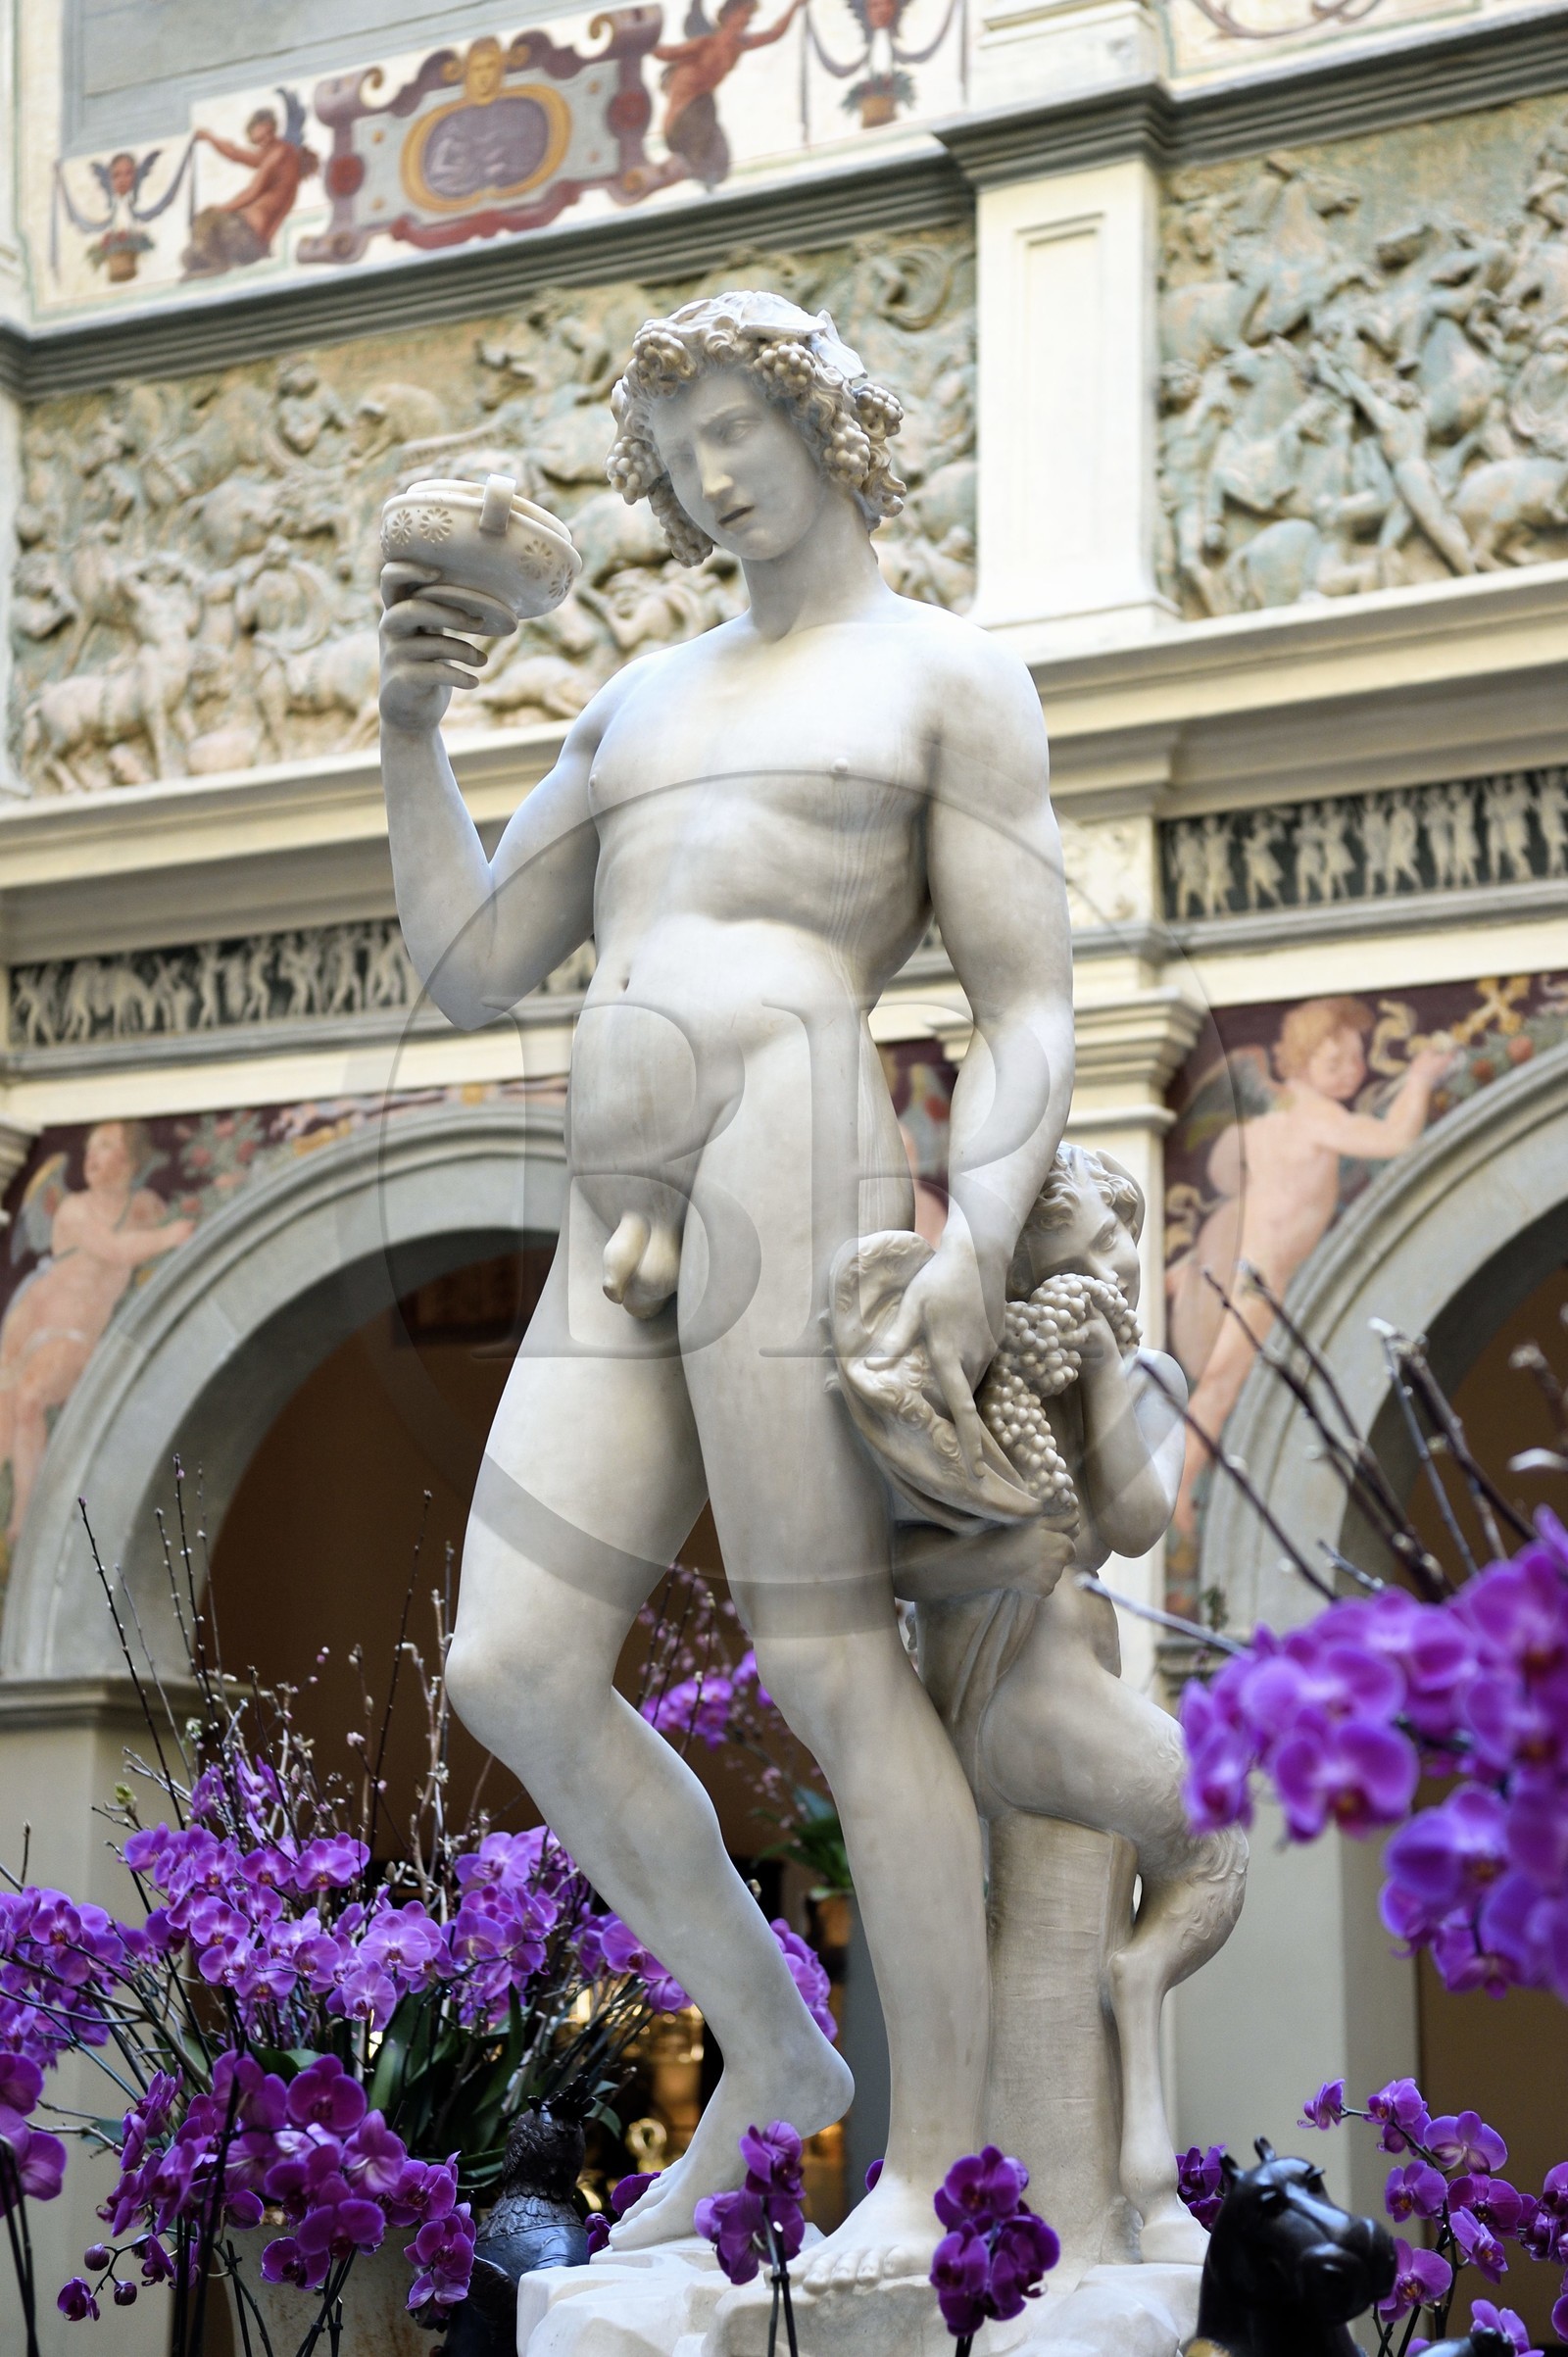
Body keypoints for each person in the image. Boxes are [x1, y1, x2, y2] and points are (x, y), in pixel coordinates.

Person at [377, 290, 1073, 2288]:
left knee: (825, 1661)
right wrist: (411, 732)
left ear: (825, 421)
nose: (710, 464)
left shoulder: (944, 676)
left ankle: (935, 2162)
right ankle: (765, 2051)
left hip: (792, 1138)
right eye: (675, 437)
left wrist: (970, 1237)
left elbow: (1024, 1002)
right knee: (508, 1660)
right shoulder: (636, 705)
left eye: (743, 417)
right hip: (618, 1197)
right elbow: (474, 964)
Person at [895, 1146, 1247, 2262]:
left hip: (1051, 1699)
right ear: (1018, 1243)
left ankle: (1086, 2212)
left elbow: (1137, 1519)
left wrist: (1098, 1369)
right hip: (1016, 1695)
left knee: (1053, 1956)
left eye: (1124, 1242)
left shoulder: (1136, 1375)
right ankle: (1145, 2124)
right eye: (1088, 1239)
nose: (1116, 1263)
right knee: (1212, 1841)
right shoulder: (950, 1368)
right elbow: (896, 1556)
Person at [1169, 995, 1451, 1535]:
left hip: (1240, 1259)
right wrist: (1419, 1078)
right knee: (1223, 1383)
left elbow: (1230, 1175)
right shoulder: (1316, 1116)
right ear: (1300, 1059)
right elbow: (1393, 1137)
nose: (1352, 1071)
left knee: (1224, 1379)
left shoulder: (1272, 1111)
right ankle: (1177, 1488)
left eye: (1357, 1058)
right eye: (1335, 1061)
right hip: (1260, 1274)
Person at [0, 1123, 192, 1555]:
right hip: (43, 1323)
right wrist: (169, 1236)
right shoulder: (74, 1210)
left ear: (133, 1160)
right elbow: (117, 1250)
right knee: (23, 1403)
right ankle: (24, 1516)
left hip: (90, 1335)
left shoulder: (145, 1206)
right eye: (89, 1147)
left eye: (105, 1147)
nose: (91, 1156)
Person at [181, 98, 318, 279]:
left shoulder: (280, 154)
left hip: (247, 237)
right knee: (188, 257)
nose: (264, 142)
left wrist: (220, 210)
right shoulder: (274, 153)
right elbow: (236, 155)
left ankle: (220, 266)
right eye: (259, 140)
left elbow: (252, 192)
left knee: (205, 217)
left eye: (268, 135)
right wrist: (209, 137)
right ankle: (213, 263)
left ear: (273, 128)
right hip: (250, 243)